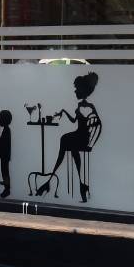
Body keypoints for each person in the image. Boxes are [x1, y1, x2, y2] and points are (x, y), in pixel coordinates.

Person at [44, 72, 102, 203]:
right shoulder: (81, 106)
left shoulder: (87, 107)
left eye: (76, 88)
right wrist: (64, 112)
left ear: (82, 90)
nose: (75, 91)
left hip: (83, 138)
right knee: (66, 141)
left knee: (65, 140)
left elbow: (97, 124)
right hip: (78, 135)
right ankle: (81, 185)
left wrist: (91, 144)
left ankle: (53, 177)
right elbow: (74, 120)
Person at [0, 110, 14, 198]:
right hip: (5, 154)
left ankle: (7, 189)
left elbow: (1, 141)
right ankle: (6, 184)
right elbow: (3, 143)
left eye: (0, 118)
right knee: (4, 170)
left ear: (4, 120)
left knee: (4, 171)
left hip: (4, 155)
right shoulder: (6, 129)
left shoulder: (6, 130)